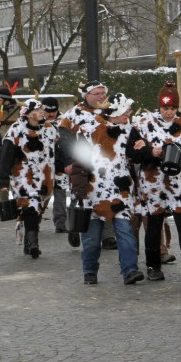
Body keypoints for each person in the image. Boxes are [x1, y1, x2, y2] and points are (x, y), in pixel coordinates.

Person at [132, 81, 181, 282]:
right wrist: (150, 151)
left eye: (172, 108)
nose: (168, 113)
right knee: (154, 224)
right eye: (165, 108)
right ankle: (153, 266)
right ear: (159, 106)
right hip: (152, 182)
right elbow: (133, 152)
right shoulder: (143, 123)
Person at [70, 92, 145, 286]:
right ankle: (89, 271)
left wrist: (143, 148)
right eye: (124, 111)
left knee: (126, 234)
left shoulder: (129, 131)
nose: (128, 114)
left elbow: (138, 155)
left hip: (121, 192)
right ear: (113, 111)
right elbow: (80, 163)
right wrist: (79, 189)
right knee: (92, 240)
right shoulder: (88, 130)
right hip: (93, 192)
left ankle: (130, 270)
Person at [58, 81, 117, 250]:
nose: (101, 96)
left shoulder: (110, 112)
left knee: (107, 196)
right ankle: (74, 226)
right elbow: (65, 139)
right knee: (80, 196)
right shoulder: (73, 114)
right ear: (87, 96)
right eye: (97, 93)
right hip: (82, 164)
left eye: (102, 93)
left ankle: (107, 235)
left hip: (106, 164)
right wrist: (70, 161)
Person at [0, 98, 58, 259]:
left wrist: (65, 165)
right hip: (23, 175)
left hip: (46, 176)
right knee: (30, 205)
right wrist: (3, 181)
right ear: (28, 115)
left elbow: (58, 150)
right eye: (36, 110)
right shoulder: (16, 130)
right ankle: (34, 242)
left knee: (38, 208)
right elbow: (6, 156)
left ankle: (28, 241)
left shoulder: (50, 129)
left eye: (41, 109)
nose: (41, 112)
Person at [41, 97, 68, 234]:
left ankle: (61, 223)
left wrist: (64, 163)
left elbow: (67, 144)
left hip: (60, 164)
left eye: (54, 111)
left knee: (60, 194)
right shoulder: (38, 122)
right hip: (42, 166)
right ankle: (34, 219)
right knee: (41, 193)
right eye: (48, 111)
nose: (51, 114)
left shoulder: (64, 122)